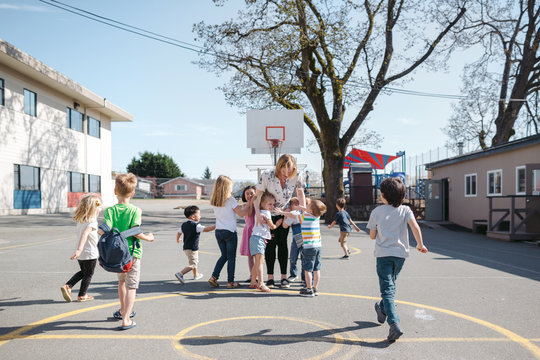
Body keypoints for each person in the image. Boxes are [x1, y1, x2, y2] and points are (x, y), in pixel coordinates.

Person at [366, 177, 428, 342]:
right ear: (403, 194)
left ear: (383, 195)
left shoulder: (376, 212)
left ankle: (394, 323)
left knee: (387, 290)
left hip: (383, 255)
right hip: (400, 256)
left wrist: (379, 231)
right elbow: (415, 226)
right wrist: (420, 244)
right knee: (390, 286)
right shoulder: (406, 210)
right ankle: (382, 309)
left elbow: (372, 236)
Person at [101, 173, 155, 330]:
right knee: (132, 286)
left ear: (114, 191)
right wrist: (148, 238)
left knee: (121, 282)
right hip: (132, 253)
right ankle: (126, 318)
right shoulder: (135, 210)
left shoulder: (110, 211)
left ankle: (123, 309)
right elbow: (135, 231)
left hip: (117, 254)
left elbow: (106, 229)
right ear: (132, 193)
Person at [255, 154, 305, 289]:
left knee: (283, 244)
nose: (286, 174)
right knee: (270, 244)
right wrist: (258, 213)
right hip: (268, 214)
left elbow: (300, 193)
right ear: (279, 167)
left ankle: (283, 277)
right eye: (284, 171)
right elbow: (257, 195)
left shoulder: (297, 175)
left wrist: (303, 209)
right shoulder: (267, 175)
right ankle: (270, 277)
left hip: (284, 213)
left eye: (290, 171)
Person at [279, 198, 326, 297]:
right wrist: (303, 207)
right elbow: (308, 210)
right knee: (316, 269)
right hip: (318, 246)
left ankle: (308, 289)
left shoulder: (304, 217)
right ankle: (314, 288)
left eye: (308, 205)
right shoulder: (316, 216)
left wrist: (282, 212)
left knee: (307, 269)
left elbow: (293, 215)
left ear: (310, 210)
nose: (306, 206)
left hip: (309, 247)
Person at [61, 194, 102, 302]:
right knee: (88, 274)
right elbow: (84, 234)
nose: (100, 208)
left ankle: (68, 286)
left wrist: (79, 250)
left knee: (83, 272)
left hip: (82, 253)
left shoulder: (82, 220)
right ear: (93, 208)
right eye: (98, 205)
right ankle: (82, 295)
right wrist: (79, 250)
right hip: (89, 252)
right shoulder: (92, 222)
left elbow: (88, 231)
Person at [208, 175, 246, 288]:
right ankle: (230, 282)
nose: (232, 189)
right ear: (226, 187)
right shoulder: (230, 200)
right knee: (231, 258)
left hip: (219, 231)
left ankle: (214, 277)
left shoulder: (215, 200)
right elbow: (241, 213)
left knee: (224, 255)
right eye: (230, 187)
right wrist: (248, 205)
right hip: (229, 232)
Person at [249, 191, 283, 292]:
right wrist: (278, 224)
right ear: (262, 204)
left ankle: (253, 281)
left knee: (257, 262)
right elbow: (271, 226)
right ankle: (261, 283)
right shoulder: (267, 213)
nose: (272, 206)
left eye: (273, 204)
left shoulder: (258, 211)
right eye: (270, 204)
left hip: (255, 238)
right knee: (260, 263)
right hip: (259, 239)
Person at [175, 205, 216, 284]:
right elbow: (206, 229)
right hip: (192, 248)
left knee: (193, 261)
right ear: (193, 217)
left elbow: (179, 232)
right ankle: (180, 274)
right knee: (193, 264)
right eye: (199, 214)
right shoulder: (196, 226)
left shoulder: (184, 225)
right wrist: (216, 226)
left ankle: (196, 275)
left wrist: (178, 239)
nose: (200, 216)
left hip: (186, 247)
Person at [282, 197, 304, 283]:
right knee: (296, 258)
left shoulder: (295, 213)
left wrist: (285, 214)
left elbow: (285, 225)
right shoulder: (297, 213)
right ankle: (298, 275)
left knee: (298, 258)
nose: (290, 207)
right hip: (299, 238)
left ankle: (299, 275)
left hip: (301, 238)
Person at [239, 185, 256, 282]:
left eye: (251, 193)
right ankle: (251, 275)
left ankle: (257, 275)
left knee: (258, 256)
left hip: (257, 231)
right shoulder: (245, 206)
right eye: (247, 193)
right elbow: (249, 214)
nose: (249, 195)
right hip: (249, 231)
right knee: (250, 256)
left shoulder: (258, 204)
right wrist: (250, 202)